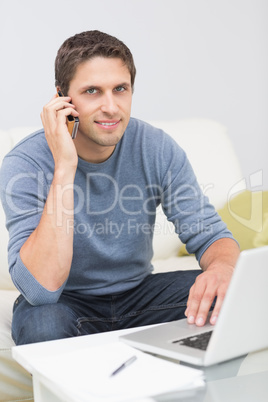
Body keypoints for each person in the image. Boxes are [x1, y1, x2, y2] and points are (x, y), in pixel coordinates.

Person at [0, 30, 240, 345]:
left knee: (239, 296)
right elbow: (41, 290)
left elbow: (210, 235)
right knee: (42, 325)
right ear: (61, 98)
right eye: (92, 91)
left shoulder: (156, 147)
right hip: (66, 303)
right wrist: (65, 166)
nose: (111, 107)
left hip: (141, 296)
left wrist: (222, 270)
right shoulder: (25, 163)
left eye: (120, 89)